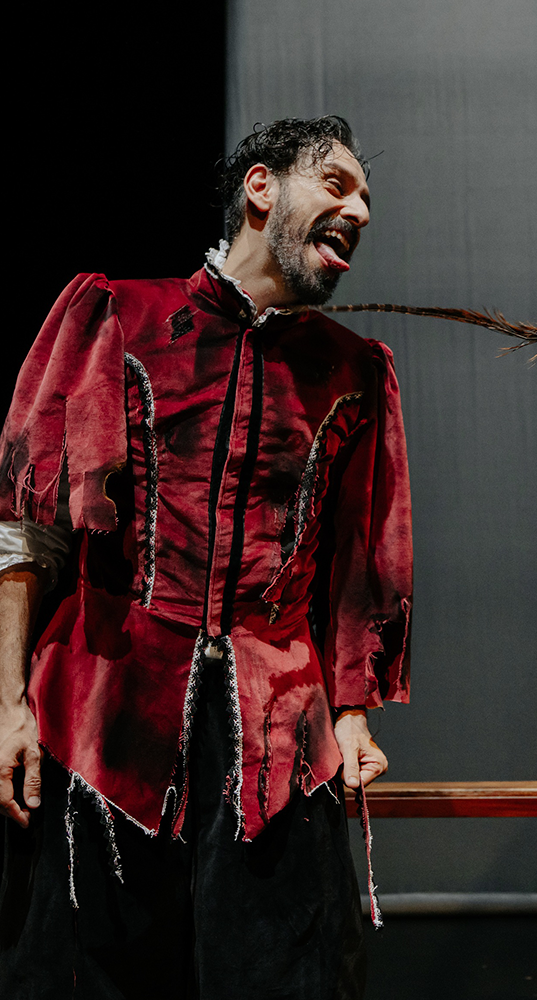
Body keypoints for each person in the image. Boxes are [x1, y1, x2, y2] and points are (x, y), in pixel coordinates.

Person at [0, 116, 413, 999]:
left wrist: (351, 713)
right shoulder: (119, 317)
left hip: (279, 739)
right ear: (261, 188)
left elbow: (360, 569)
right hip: (103, 719)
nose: (361, 212)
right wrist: (6, 709)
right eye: (338, 185)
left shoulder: (352, 371)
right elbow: (28, 531)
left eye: (367, 198)